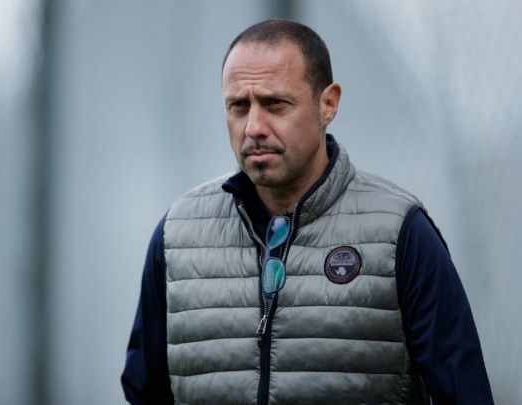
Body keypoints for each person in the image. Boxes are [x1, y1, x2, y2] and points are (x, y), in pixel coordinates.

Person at [121, 19, 494, 404]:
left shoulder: (399, 233)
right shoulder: (177, 235)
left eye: (275, 104)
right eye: (238, 106)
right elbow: (143, 391)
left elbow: (465, 393)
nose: (253, 127)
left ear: (327, 104)